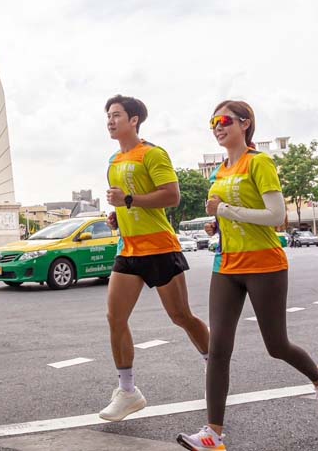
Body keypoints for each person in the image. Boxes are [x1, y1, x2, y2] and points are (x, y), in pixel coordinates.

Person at [176, 101, 318, 451]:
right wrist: (216, 223)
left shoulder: (260, 162)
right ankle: (213, 434)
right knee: (218, 348)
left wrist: (224, 209)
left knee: (276, 345)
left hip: (265, 263)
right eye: (213, 123)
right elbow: (227, 217)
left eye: (224, 121)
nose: (218, 127)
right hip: (227, 264)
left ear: (245, 123)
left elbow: (276, 215)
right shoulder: (218, 171)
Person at [100, 94, 210, 422]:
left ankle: (214, 367)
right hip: (129, 249)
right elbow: (128, 204)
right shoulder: (113, 161)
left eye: (116, 114)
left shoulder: (153, 153)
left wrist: (130, 199)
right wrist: (118, 215)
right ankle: (128, 391)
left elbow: (172, 196)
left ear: (134, 120)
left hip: (161, 248)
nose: (110, 120)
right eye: (108, 115)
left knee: (181, 316)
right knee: (114, 318)